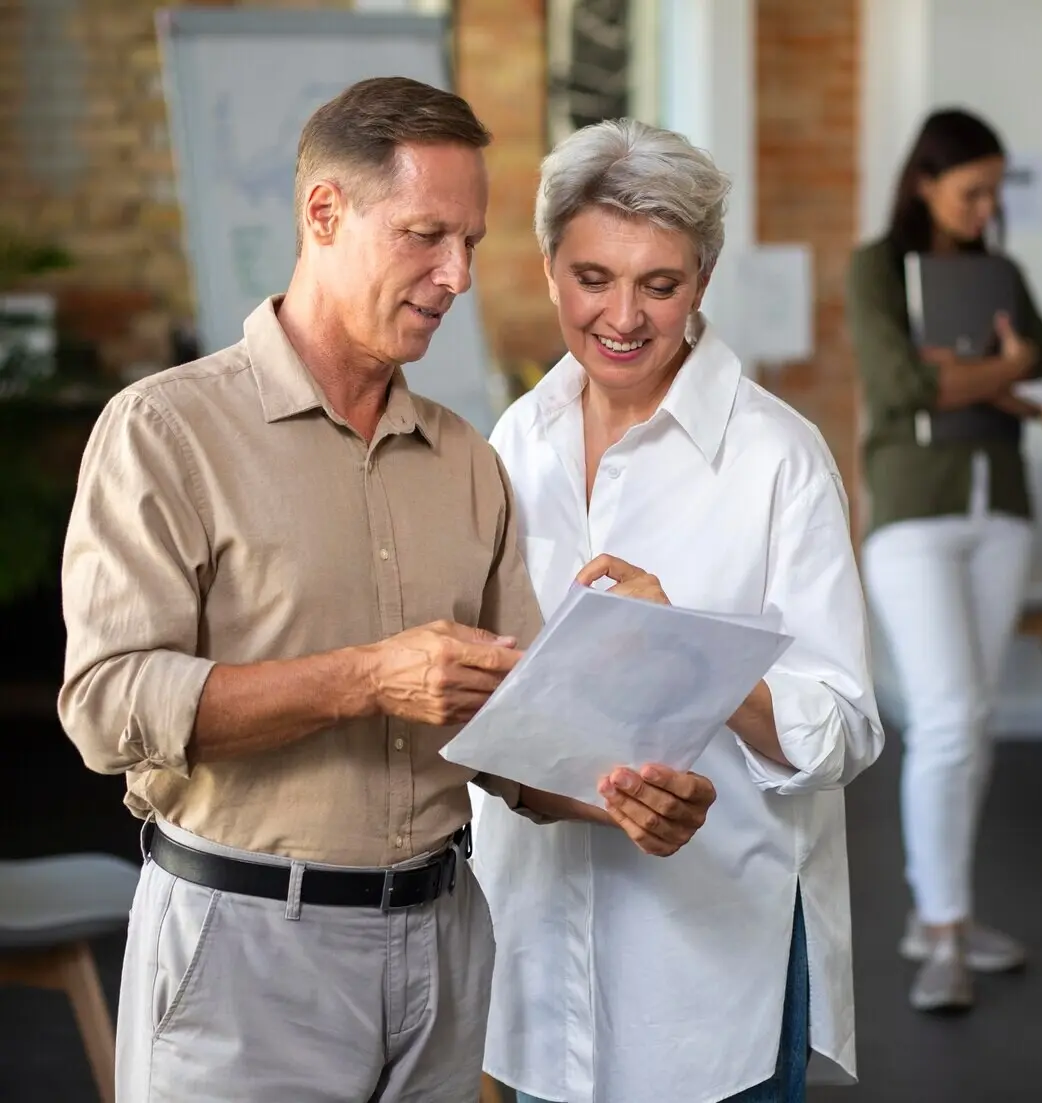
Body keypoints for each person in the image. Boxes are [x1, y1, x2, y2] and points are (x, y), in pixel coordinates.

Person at [57, 77, 714, 1103]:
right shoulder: (166, 430)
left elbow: (518, 732)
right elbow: (105, 705)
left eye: (470, 242)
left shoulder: (466, 461)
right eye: (425, 235)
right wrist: (365, 678)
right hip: (245, 952)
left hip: (445, 949)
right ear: (324, 212)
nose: (457, 275)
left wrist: (624, 796)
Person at [470, 118, 884, 1103]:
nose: (622, 316)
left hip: (711, 978)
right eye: (592, 278)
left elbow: (846, 726)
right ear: (549, 269)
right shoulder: (513, 443)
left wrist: (688, 650)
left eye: (658, 284)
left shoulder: (778, 459)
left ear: (702, 281)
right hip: (530, 957)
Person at [844, 108, 1042, 1013]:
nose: (986, 208)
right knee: (944, 715)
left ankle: (944, 912)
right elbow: (899, 384)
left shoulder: (1002, 272)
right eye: (971, 191)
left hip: (1001, 510)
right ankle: (941, 930)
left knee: (973, 720)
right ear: (926, 182)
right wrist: (999, 371)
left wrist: (971, 373)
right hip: (914, 514)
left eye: (995, 192)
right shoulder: (876, 266)